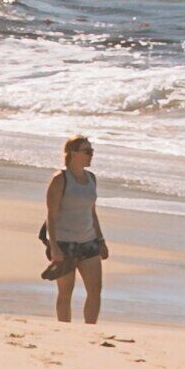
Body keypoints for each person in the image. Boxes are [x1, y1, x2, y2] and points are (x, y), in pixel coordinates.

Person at [42, 134, 108, 324]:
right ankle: (64, 329)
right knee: (66, 291)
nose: (91, 155)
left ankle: (90, 329)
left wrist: (101, 240)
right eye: (87, 151)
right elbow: (51, 216)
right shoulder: (60, 179)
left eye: (92, 151)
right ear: (73, 153)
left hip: (89, 242)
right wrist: (54, 247)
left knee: (95, 290)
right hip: (65, 244)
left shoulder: (91, 178)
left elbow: (92, 213)